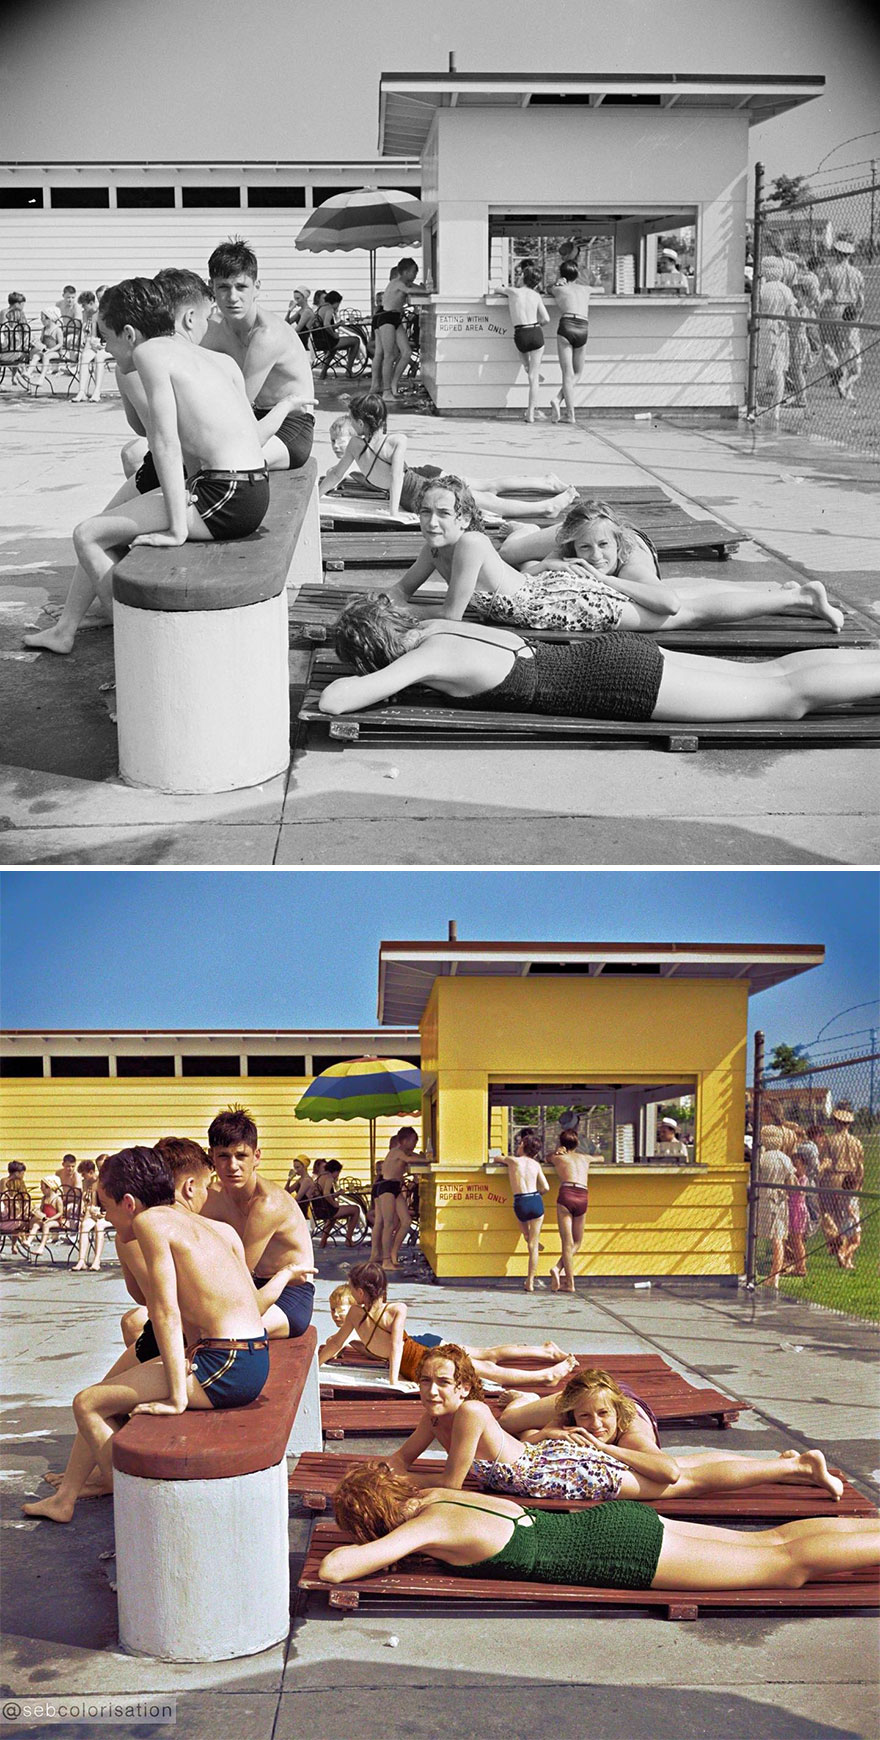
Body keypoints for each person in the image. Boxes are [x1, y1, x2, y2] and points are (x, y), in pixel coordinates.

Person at [23, 1143, 269, 1524]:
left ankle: (140, 1511)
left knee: (87, 1403)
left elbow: (165, 1312)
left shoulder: (150, 1223)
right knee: (110, 1392)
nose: (104, 1217)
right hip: (247, 1357)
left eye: (104, 1207)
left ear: (127, 1202)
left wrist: (175, 1396)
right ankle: (75, 1494)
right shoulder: (210, 1226)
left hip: (227, 1364)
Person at [319, 591, 880, 727]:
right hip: (609, 658)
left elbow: (335, 700)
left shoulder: (425, 658)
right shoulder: (437, 626)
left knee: (784, 699)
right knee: (772, 674)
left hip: (619, 683)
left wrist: (370, 674)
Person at [319, 1459, 879, 1593]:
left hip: (620, 1553)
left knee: (783, 1567)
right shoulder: (436, 1495)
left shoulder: (424, 1529)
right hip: (615, 1524)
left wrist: (374, 1544)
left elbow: (336, 1568)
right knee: (772, 1543)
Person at [60, 277, 269, 628]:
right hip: (246, 489)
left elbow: (164, 444)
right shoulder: (203, 356)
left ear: (129, 333)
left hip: (226, 495)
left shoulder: (149, 352)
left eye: (107, 338)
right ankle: (100, 622)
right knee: (116, 525)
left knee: (87, 534)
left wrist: (176, 529)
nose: (105, 348)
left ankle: (131, 637)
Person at [388, 1347, 847, 1505]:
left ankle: (798, 1468)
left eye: (443, 1383)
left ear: (464, 1387)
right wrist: (386, 1472)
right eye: (425, 1381)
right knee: (681, 1471)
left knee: (678, 1483)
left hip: (560, 1473)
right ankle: (783, 1463)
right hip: (549, 1459)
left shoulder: (468, 1413)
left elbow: (452, 1487)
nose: (432, 1390)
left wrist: (395, 1481)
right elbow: (402, 1460)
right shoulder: (435, 1416)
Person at [385, 484, 844, 635]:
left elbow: (451, 618)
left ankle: (800, 597)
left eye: (443, 513)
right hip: (551, 589)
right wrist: (384, 603)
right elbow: (403, 593)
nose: (431, 520)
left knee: (680, 611)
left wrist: (397, 617)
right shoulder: (435, 547)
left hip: (565, 601)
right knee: (685, 598)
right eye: (425, 511)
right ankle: (782, 594)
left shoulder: (466, 545)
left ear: (465, 518)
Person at [41, 1137, 220, 1502]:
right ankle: (74, 1489)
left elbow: (154, 1302)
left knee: (96, 1402)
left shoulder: (141, 1230)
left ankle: (79, 1490)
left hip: (170, 1335)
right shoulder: (169, 1225)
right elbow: (161, 1303)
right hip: (174, 1334)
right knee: (99, 1400)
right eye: (207, 1184)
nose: (210, 1192)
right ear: (186, 1185)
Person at [319, 1265, 579, 1388]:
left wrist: (392, 1381)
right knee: (488, 1360)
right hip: (419, 1360)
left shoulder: (395, 1309)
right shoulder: (357, 1312)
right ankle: (545, 1356)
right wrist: (315, 1363)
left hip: (426, 1354)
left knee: (487, 1366)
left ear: (362, 1292)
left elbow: (397, 1346)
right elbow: (335, 1343)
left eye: (353, 1288)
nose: (351, 1293)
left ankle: (545, 1375)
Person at [322, 403, 576, 524]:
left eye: (340, 438)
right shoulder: (358, 446)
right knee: (487, 491)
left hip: (427, 484)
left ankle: (546, 507)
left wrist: (392, 513)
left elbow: (398, 477)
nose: (336, 445)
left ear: (360, 424)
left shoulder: (392, 441)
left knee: (489, 498)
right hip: (420, 488)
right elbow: (334, 475)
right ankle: (545, 486)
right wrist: (315, 494)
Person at [202, 1105, 315, 1338]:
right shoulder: (212, 1195)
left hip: (290, 1294)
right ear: (212, 1156)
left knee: (225, 1331)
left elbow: (239, 1271)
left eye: (241, 1156)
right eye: (223, 1156)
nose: (232, 1166)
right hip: (249, 1287)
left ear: (257, 1157)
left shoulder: (268, 1204)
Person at [203, 237, 315, 469]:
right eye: (223, 287)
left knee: (226, 462)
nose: (233, 297)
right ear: (211, 287)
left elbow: (240, 403)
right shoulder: (215, 327)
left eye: (241, 287)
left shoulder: (267, 334)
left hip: (291, 425)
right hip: (253, 418)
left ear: (257, 288)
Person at [499, 263, 548, 423]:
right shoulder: (536, 296)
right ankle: (531, 414)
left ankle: (528, 367)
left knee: (526, 363)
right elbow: (546, 319)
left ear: (523, 278)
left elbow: (497, 289)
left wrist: (503, 288)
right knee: (533, 377)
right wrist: (537, 325)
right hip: (535, 332)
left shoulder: (514, 292)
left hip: (520, 334)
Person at [819, 236, 865, 400]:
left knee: (829, 344)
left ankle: (836, 370)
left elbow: (825, 292)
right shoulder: (857, 273)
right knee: (850, 348)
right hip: (850, 311)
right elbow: (861, 299)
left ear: (837, 254)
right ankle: (847, 385)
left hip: (832, 309)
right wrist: (859, 315)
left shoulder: (831, 271)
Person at [371, 1126, 423, 1267]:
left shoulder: (405, 1152)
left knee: (406, 1221)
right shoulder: (397, 1152)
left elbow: (416, 1157)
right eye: (414, 1140)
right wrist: (426, 1159)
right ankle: (386, 1260)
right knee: (388, 1224)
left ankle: (393, 1253)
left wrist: (427, 1158)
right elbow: (410, 1159)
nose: (416, 1143)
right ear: (405, 1140)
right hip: (386, 1187)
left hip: (395, 1188)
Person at [503, 1132, 547, 1293]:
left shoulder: (513, 1161)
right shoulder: (536, 1165)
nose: (517, 1146)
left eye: (520, 1144)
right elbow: (546, 1187)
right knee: (532, 1245)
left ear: (523, 1146)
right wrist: (537, 1195)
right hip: (535, 1200)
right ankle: (530, 1281)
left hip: (521, 1202)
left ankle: (529, 1237)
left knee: (527, 1235)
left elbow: (496, 1159)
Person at [757, 257, 799, 427]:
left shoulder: (761, 289)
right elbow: (792, 312)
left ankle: (756, 404)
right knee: (779, 370)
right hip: (780, 329)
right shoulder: (785, 290)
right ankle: (776, 410)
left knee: (759, 366)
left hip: (763, 328)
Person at [546, 1129, 590, 1293]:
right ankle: (558, 1270)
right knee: (577, 1242)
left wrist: (556, 1151)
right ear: (577, 1143)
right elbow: (602, 1158)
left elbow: (546, 1158)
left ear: (561, 1143)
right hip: (582, 1194)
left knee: (567, 1242)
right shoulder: (585, 1158)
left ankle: (569, 1282)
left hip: (567, 1193)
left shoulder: (558, 1158)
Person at [372, 259, 421, 400]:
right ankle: (386, 391)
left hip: (395, 318)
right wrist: (430, 290)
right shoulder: (398, 283)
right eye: (414, 272)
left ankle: (394, 384)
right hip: (386, 318)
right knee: (389, 355)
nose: (415, 275)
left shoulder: (406, 283)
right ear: (405, 272)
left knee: (406, 352)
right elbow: (410, 290)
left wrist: (428, 289)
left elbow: (416, 287)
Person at [550, 260, 591, 424]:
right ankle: (558, 400)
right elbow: (601, 288)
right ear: (578, 275)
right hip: (583, 326)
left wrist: (557, 282)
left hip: (567, 325)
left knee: (567, 374)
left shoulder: (559, 289)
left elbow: (546, 289)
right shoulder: (585, 289)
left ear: (562, 275)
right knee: (577, 374)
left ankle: (569, 413)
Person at [757, 1125, 797, 1289]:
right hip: (779, 1199)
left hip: (762, 1197)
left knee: (755, 1234)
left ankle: (751, 1269)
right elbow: (791, 1181)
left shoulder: (761, 1158)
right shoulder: (785, 1159)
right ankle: (775, 1275)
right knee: (778, 1239)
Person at [303, 1158, 362, 1248]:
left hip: (320, 1210)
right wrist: (334, 1204)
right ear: (335, 1171)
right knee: (356, 1209)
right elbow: (326, 1194)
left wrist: (336, 1194)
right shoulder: (329, 1178)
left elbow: (323, 1196)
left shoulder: (320, 1178)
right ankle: (349, 1239)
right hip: (329, 1211)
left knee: (333, 1219)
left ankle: (323, 1241)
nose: (338, 1175)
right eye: (338, 1172)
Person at [311, 291, 363, 379]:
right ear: (335, 302)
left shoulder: (320, 309)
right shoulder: (329, 309)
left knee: (333, 351)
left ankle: (323, 373)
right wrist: (334, 335)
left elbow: (324, 326)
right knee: (356, 340)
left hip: (321, 341)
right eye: (338, 304)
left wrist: (336, 325)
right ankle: (349, 371)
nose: (338, 306)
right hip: (330, 342)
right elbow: (326, 324)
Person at [71, 1156, 110, 1270]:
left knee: (99, 1226)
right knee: (84, 1225)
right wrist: (89, 1213)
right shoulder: (89, 1183)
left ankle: (96, 1260)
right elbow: (91, 1203)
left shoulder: (107, 1181)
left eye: (84, 1174)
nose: (83, 1177)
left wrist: (102, 1214)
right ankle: (81, 1260)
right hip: (96, 1213)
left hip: (107, 1214)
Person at [72, 288, 109, 403]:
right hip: (99, 345)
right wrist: (93, 344)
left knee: (99, 357)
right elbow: (93, 334)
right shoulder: (94, 315)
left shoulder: (114, 312)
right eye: (99, 298)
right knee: (84, 357)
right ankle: (82, 391)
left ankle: (97, 391)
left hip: (111, 345)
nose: (100, 300)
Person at [23, 1174, 64, 1256]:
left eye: (42, 1187)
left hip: (55, 1221)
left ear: (49, 1187)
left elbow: (60, 1212)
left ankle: (41, 1247)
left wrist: (51, 1219)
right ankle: (29, 1240)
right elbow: (42, 1209)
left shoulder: (57, 1199)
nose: (41, 1189)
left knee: (46, 1225)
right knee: (36, 1224)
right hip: (46, 1219)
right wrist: (37, 1212)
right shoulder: (44, 1198)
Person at [25, 305, 63, 389]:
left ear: (50, 318)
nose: (41, 320)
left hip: (55, 352)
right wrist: (37, 344)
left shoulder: (57, 330)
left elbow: (60, 344)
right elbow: (42, 341)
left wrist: (50, 350)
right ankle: (29, 372)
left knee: (46, 356)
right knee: (36, 355)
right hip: (46, 350)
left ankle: (41, 378)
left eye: (43, 318)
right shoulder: (44, 329)